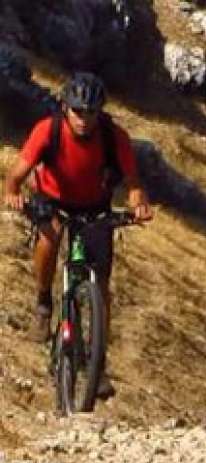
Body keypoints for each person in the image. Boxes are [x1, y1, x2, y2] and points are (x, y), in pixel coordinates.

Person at [3, 72, 153, 398]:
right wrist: (14, 193)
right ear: (65, 108)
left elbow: (133, 183)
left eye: (91, 112)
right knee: (49, 236)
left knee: (101, 284)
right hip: (52, 201)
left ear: (101, 112)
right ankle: (44, 303)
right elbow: (15, 176)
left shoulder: (115, 137)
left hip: (94, 208)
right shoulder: (48, 131)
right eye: (78, 111)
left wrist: (138, 202)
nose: (84, 119)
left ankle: (97, 364)